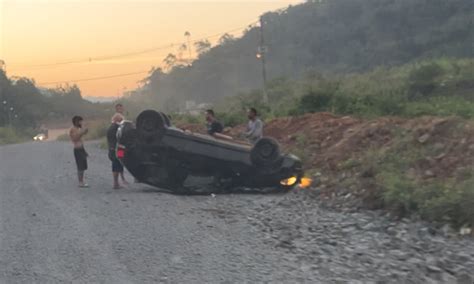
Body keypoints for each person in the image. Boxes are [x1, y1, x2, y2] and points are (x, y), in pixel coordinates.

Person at [107, 113, 128, 189]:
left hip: (116, 149)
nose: (122, 121)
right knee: (116, 165)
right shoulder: (115, 128)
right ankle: (116, 183)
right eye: (121, 120)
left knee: (119, 164)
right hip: (116, 149)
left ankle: (119, 182)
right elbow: (119, 138)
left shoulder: (113, 127)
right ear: (117, 120)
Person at [69, 116, 89, 188]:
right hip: (77, 149)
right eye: (80, 121)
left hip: (81, 148)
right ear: (76, 121)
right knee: (80, 166)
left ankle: (81, 181)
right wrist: (82, 133)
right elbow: (75, 139)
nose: (81, 123)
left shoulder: (78, 128)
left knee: (83, 166)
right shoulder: (73, 129)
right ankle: (80, 182)